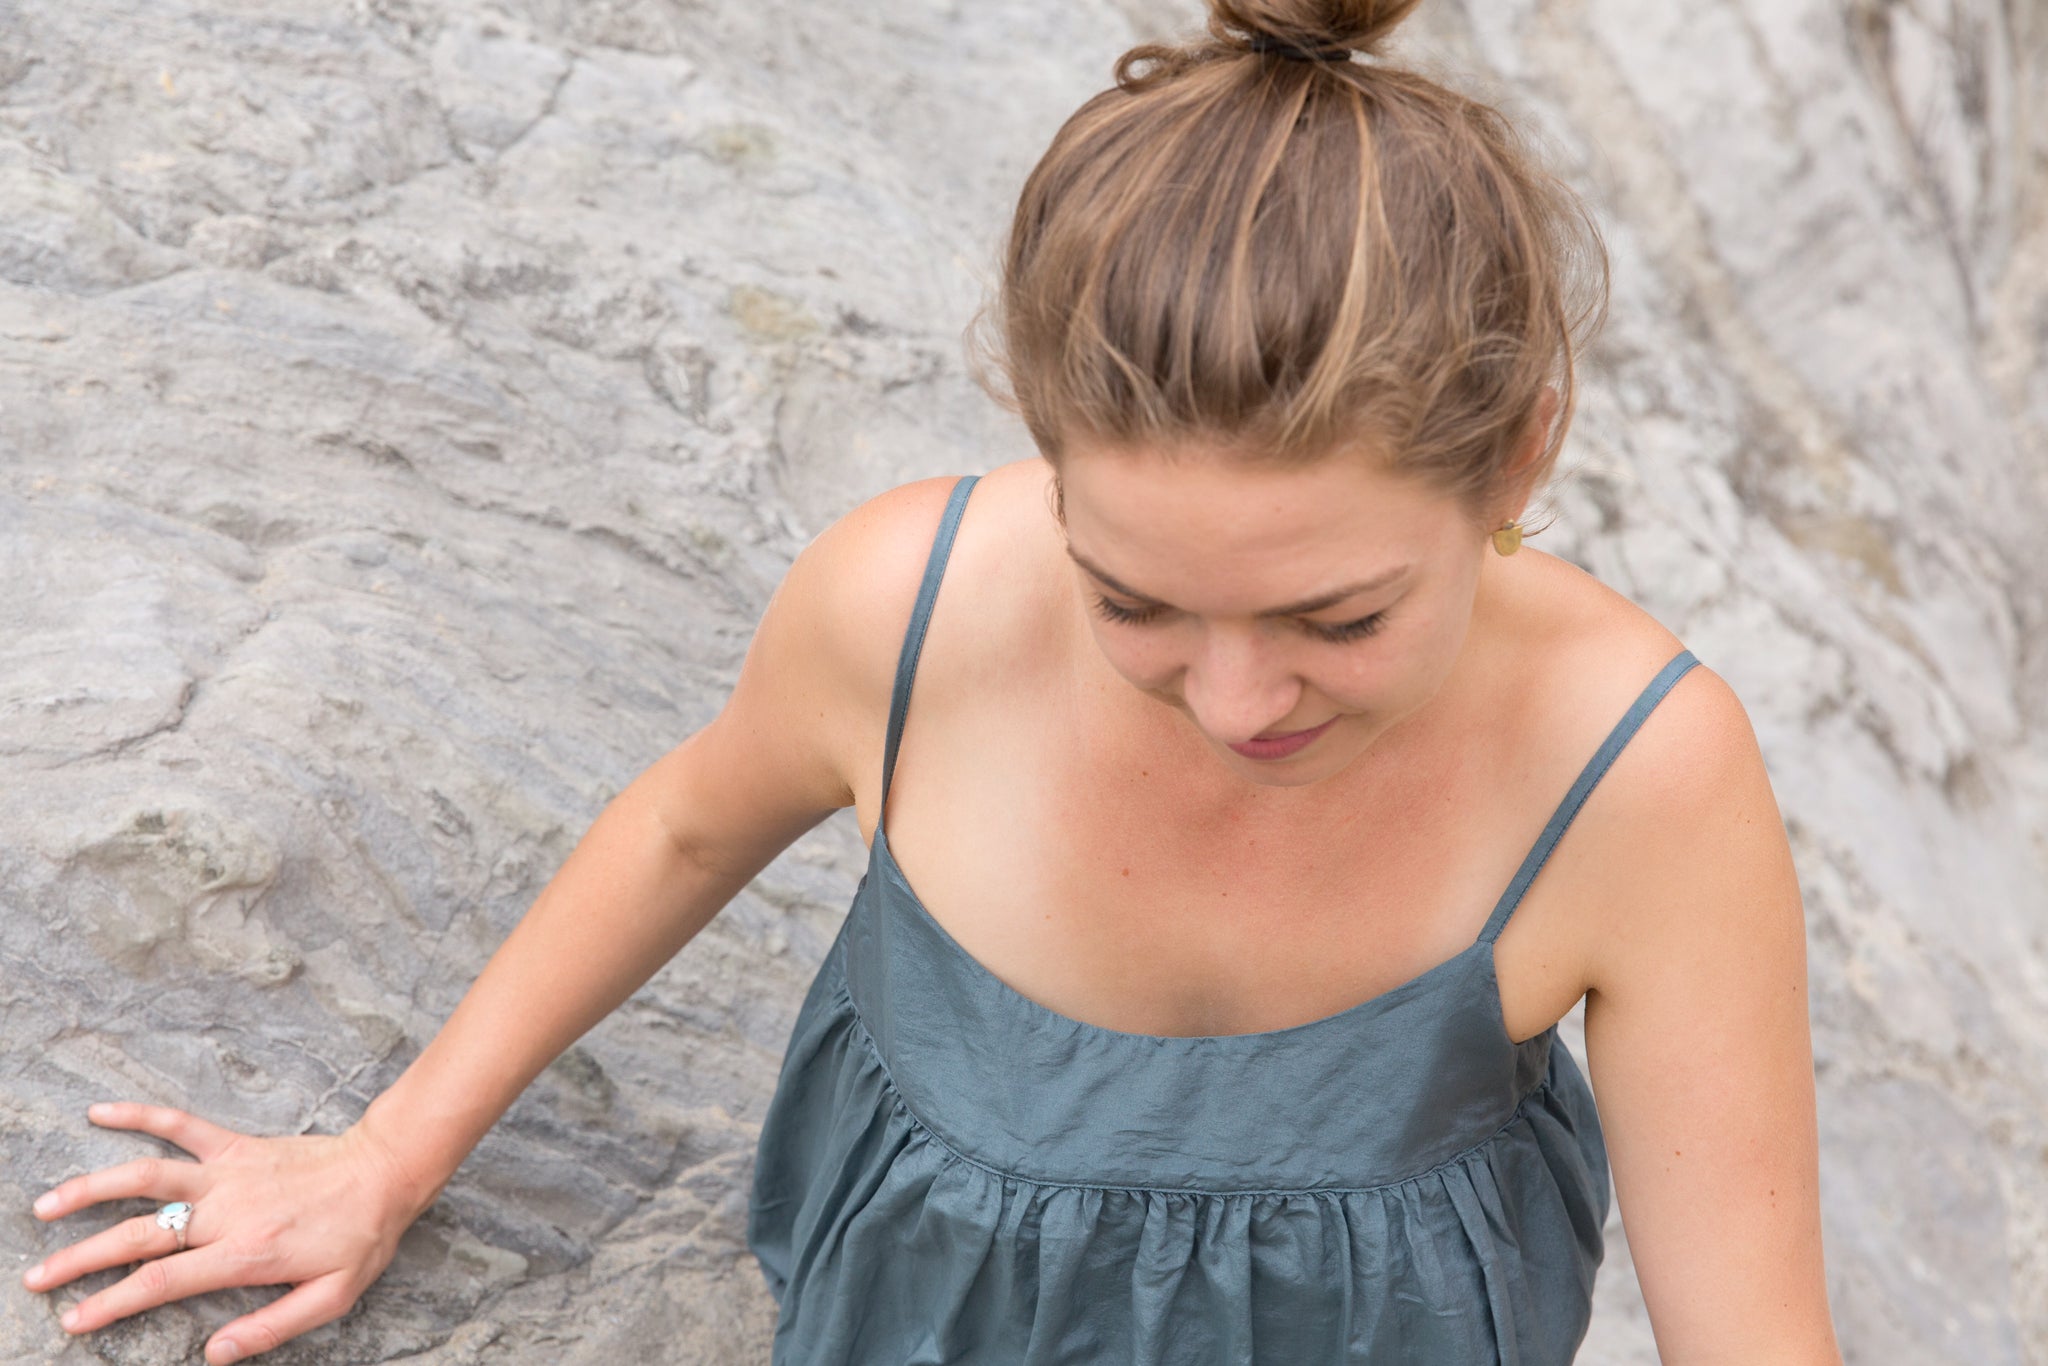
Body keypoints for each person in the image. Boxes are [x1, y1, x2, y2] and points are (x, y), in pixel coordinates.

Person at [22, 0, 1844, 1361]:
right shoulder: (902, 615)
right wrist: (389, 1153)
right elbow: (679, 827)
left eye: (1336, 621)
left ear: (1521, 461)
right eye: (1133, 600)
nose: (1233, 698)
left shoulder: (1637, 777)